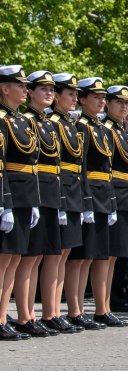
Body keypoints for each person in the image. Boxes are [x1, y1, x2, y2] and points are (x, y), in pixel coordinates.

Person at [15, 71, 65, 338]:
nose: (48, 93)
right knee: (28, 257)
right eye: (42, 89)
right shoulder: (27, 120)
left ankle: (38, 314)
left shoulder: (45, 122)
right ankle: (25, 315)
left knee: (40, 256)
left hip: (47, 192)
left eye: (51, 89)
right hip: (32, 191)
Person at [67, 77, 117, 331]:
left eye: (102, 97)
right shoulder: (81, 126)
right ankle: (75, 310)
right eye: (94, 97)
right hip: (87, 192)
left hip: (102, 193)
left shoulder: (100, 128)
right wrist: (86, 199)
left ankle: (97, 309)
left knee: (95, 255)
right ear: (84, 100)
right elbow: (82, 166)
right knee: (80, 257)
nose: (100, 101)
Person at [0, 65, 40, 340]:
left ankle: (3, 316)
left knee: (14, 258)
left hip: (25, 195)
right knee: (3, 260)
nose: (26, 90)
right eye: (20, 86)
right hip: (9, 193)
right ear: (4, 88)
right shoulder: (1, 119)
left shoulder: (23, 121)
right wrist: (4, 203)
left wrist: (33, 201)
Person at [97, 84, 128, 328]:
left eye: (126, 103)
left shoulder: (122, 131)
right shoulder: (107, 130)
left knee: (113, 256)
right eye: (119, 103)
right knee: (106, 254)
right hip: (112, 195)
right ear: (109, 105)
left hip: (125, 197)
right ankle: (102, 307)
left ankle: (106, 305)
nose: (124, 107)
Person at [48, 73, 86, 335]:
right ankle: (50, 312)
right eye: (69, 94)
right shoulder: (52, 123)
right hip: (58, 191)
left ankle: (58, 312)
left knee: (64, 255)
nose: (74, 98)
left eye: (75, 94)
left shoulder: (69, 124)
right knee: (54, 255)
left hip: (72, 191)